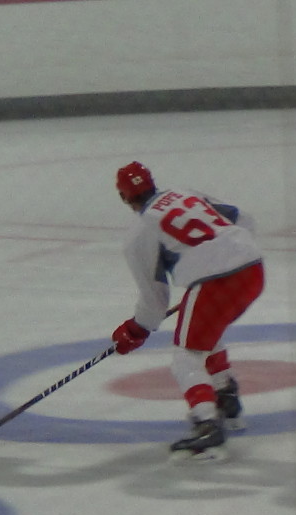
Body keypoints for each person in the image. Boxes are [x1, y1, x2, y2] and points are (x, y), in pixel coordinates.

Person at [111, 161, 265, 462]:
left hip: (216, 282)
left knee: (186, 355)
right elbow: (243, 219)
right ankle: (225, 396)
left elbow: (155, 301)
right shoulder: (185, 194)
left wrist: (135, 330)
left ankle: (207, 421)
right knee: (206, 330)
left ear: (124, 197)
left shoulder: (139, 236)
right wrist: (228, 256)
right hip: (253, 270)